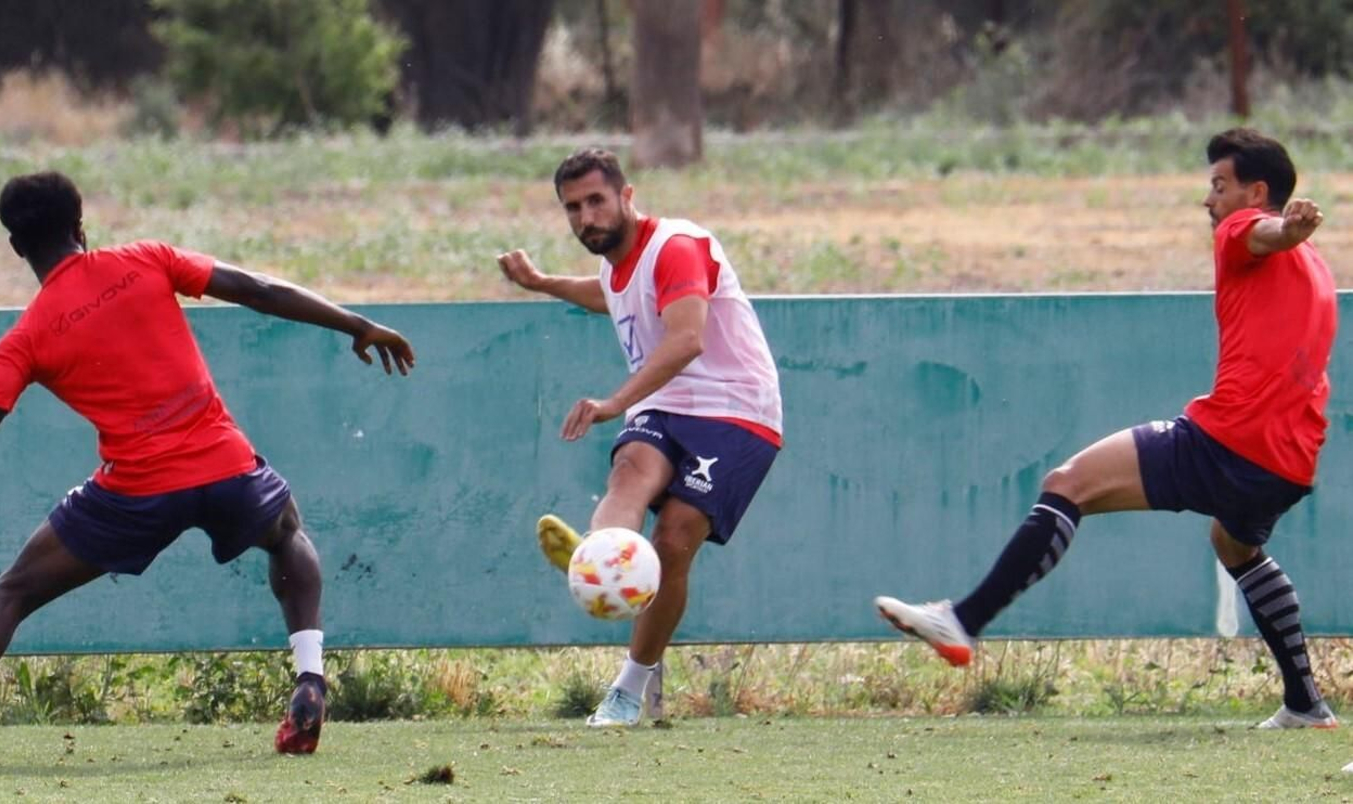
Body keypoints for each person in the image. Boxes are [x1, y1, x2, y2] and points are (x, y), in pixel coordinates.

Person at [0, 171, 416, 765]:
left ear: (16, 247)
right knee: (286, 532)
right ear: (81, 226)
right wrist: (355, 323)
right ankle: (310, 676)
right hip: (224, 466)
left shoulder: (25, 339)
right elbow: (256, 287)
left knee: (13, 593)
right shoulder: (147, 259)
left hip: (135, 494)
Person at [876, 128, 1338, 730]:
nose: (1209, 200)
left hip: (1230, 439)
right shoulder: (1318, 268)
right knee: (1235, 546)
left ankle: (962, 621)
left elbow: (1261, 231)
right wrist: (1293, 234)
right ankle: (1305, 702)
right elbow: (1276, 239)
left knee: (1070, 483)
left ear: (1255, 191)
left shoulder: (1240, 230)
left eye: (1218, 186)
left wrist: (1286, 228)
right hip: (1288, 463)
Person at [497, 148, 783, 727]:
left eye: (597, 201)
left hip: (736, 409)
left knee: (674, 538)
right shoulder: (615, 264)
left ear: (628, 197)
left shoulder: (675, 246)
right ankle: (602, 559)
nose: (586, 218)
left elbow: (686, 341)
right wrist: (542, 282)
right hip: (666, 403)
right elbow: (610, 292)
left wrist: (613, 403)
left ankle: (628, 688)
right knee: (629, 469)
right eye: (572, 208)